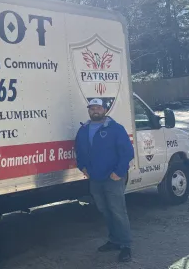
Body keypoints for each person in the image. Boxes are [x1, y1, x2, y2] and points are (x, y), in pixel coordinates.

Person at [75, 98, 135, 263]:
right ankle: (114, 240)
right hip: (95, 179)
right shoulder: (83, 130)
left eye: (98, 108)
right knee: (105, 210)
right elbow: (79, 151)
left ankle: (125, 245)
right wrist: (83, 167)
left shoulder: (115, 129)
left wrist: (119, 172)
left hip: (113, 178)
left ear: (105, 110)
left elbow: (127, 152)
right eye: (92, 108)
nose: (95, 110)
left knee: (117, 211)